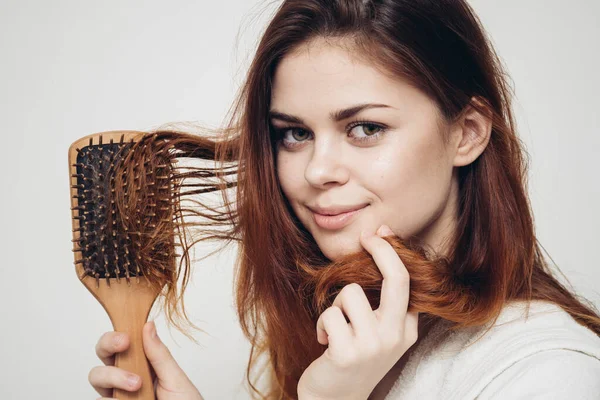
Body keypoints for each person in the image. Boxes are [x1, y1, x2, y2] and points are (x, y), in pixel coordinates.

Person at [88, 0, 600, 399]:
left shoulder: (548, 372)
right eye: (293, 134)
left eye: (365, 128)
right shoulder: (341, 335)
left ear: (466, 133)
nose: (316, 170)